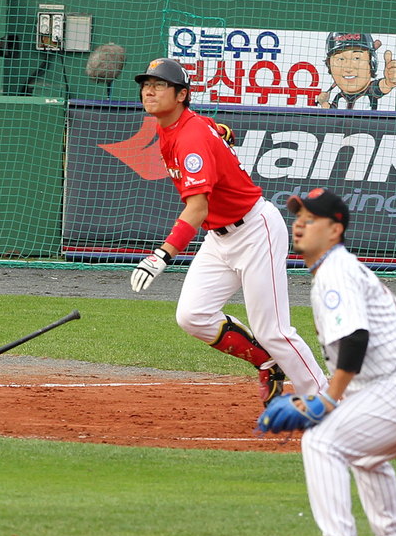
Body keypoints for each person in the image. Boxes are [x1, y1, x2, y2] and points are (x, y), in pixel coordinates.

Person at [258, 187, 396, 536]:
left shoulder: (335, 270)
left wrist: (327, 399)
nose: (298, 225)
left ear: (334, 231)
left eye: (310, 219)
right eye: (298, 217)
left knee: (322, 442)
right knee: (365, 456)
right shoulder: (336, 268)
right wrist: (330, 400)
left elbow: (355, 338)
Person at [130, 57, 327, 406]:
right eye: (147, 84)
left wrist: (161, 255)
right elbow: (211, 128)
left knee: (275, 330)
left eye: (160, 85)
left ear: (181, 94)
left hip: (255, 232)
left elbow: (197, 208)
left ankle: (328, 401)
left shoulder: (189, 137)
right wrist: (220, 133)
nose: (149, 90)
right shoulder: (176, 124)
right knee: (193, 315)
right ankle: (266, 362)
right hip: (219, 238)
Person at [317, 32, 396, 110]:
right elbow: (332, 114)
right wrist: (324, 103)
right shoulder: (339, 97)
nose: (348, 68)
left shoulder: (371, 90)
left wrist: (389, 82)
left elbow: (383, 86)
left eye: (356, 58)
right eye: (340, 59)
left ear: (372, 63)